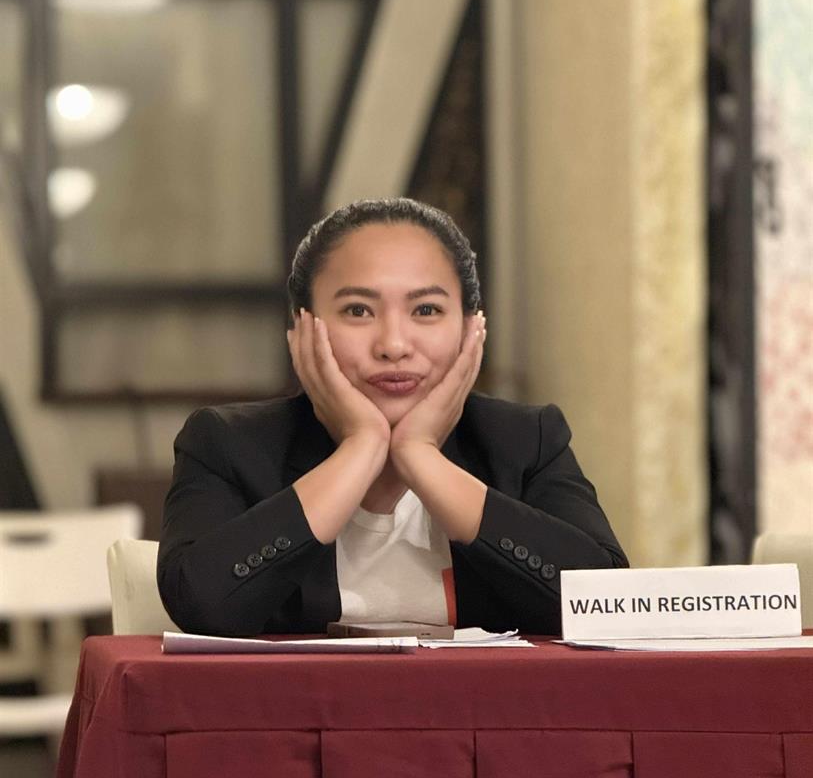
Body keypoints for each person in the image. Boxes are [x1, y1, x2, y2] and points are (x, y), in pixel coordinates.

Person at [158, 198, 627, 636]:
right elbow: (203, 606)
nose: (394, 345)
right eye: (358, 310)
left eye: (426, 309)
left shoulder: (526, 440)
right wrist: (360, 447)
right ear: (301, 328)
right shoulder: (228, 444)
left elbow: (604, 602)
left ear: (470, 329)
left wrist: (420, 456)